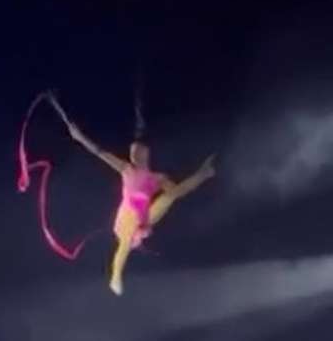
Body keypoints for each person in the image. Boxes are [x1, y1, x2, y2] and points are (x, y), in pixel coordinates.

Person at [48, 93, 218, 296]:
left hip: (145, 216)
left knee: (170, 197)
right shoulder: (126, 168)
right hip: (128, 215)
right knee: (127, 238)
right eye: (131, 152)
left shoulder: (157, 178)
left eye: (136, 151)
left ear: (146, 153)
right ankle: (115, 276)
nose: (133, 154)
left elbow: (179, 191)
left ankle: (206, 173)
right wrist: (80, 137)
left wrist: (200, 176)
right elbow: (99, 152)